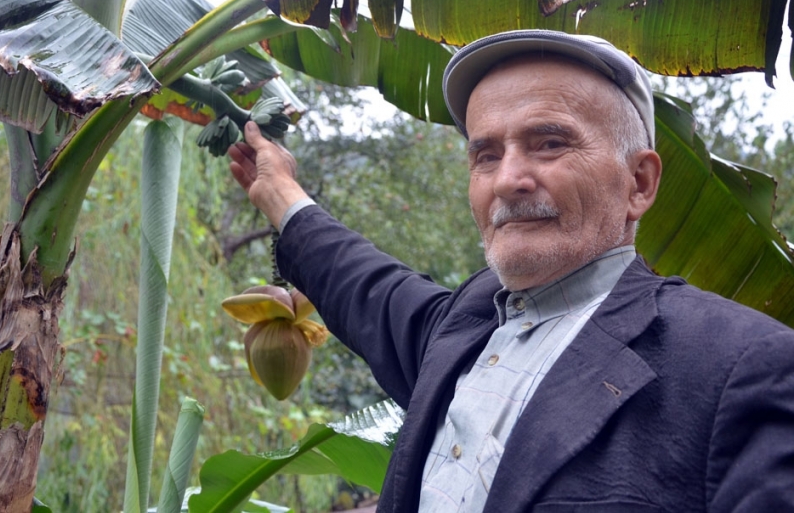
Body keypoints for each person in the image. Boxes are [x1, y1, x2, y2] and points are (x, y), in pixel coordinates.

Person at [228, 30, 794, 512]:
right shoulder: (464, 329)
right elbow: (365, 287)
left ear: (639, 183)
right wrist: (278, 192)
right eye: (486, 155)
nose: (508, 180)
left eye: (549, 144)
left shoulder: (738, 366)